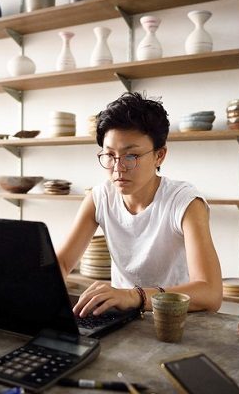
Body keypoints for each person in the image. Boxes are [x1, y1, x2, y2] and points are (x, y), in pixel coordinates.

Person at [57, 92, 222, 318]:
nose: (118, 168)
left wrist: (134, 296)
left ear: (159, 155)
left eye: (131, 156)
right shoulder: (99, 198)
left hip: (176, 318)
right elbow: (63, 262)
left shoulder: (184, 202)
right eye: (109, 155)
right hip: (123, 318)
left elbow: (210, 293)